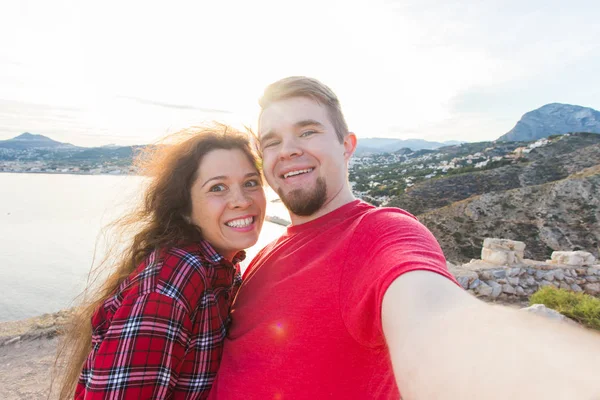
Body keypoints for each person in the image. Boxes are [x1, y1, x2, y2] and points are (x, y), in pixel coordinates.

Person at [208, 77, 600, 399]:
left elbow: (444, 325)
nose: (288, 150)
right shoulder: (264, 254)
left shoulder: (380, 234)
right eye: (272, 141)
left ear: (347, 147)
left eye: (307, 131)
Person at [56, 124, 266, 399]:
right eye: (218, 187)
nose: (241, 200)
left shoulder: (221, 267)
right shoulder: (169, 285)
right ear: (185, 210)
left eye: (251, 182)